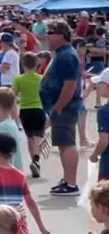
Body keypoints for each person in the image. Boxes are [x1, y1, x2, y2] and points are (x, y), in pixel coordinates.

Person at [42, 20, 83, 196]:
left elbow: (69, 86)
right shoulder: (61, 54)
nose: (47, 36)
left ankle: (71, 183)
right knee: (63, 144)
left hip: (65, 107)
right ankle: (67, 179)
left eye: (50, 33)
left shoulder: (66, 56)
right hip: (60, 107)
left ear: (61, 35)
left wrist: (58, 107)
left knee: (67, 143)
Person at [14, 52, 46, 178]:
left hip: (25, 110)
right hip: (39, 109)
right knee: (38, 137)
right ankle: (36, 160)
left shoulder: (19, 79)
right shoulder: (41, 78)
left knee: (30, 138)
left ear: (23, 64)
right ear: (36, 64)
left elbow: (13, 95)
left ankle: (33, 158)